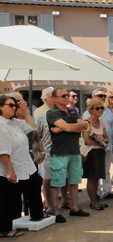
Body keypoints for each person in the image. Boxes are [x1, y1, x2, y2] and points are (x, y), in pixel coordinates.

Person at [0, 95, 46, 238]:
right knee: (7, 199)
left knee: (35, 183)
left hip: (25, 164)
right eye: (11, 105)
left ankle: (37, 214)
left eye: (15, 105)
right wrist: (10, 169)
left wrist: (25, 112)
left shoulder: (13, 122)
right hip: (10, 167)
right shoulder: (1, 125)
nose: (14, 107)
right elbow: (3, 150)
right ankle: (5, 229)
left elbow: (33, 129)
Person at [47, 87, 91, 222]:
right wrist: (68, 127)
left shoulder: (73, 111)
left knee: (75, 180)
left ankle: (75, 208)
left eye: (67, 95)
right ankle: (56, 210)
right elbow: (71, 127)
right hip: (60, 152)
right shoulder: (51, 113)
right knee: (57, 182)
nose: (67, 97)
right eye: (64, 96)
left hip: (74, 151)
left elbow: (85, 125)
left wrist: (63, 128)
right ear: (55, 99)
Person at [83, 88, 113, 200]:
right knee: (94, 174)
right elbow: (86, 135)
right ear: (93, 97)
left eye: (104, 96)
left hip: (107, 146)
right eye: (100, 95)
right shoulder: (85, 114)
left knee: (106, 170)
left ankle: (107, 191)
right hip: (92, 149)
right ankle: (96, 193)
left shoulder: (107, 111)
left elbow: (112, 128)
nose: (103, 97)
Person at [82, 99, 109, 211]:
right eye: (98, 108)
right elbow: (87, 140)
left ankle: (95, 201)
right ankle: (93, 201)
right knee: (91, 178)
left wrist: (102, 140)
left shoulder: (101, 122)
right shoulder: (86, 123)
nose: (100, 110)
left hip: (100, 152)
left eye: (102, 108)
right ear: (91, 109)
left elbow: (107, 138)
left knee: (97, 177)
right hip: (91, 153)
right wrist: (98, 142)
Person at [36, 87, 58, 214]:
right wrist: (39, 153)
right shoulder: (40, 116)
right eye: (52, 96)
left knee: (62, 178)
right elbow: (37, 136)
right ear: (46, 100)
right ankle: (49, 204)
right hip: (47, 152)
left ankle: (61, 201)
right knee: (47, 179)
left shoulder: (63, 113)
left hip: (61, 151)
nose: (55, 98)